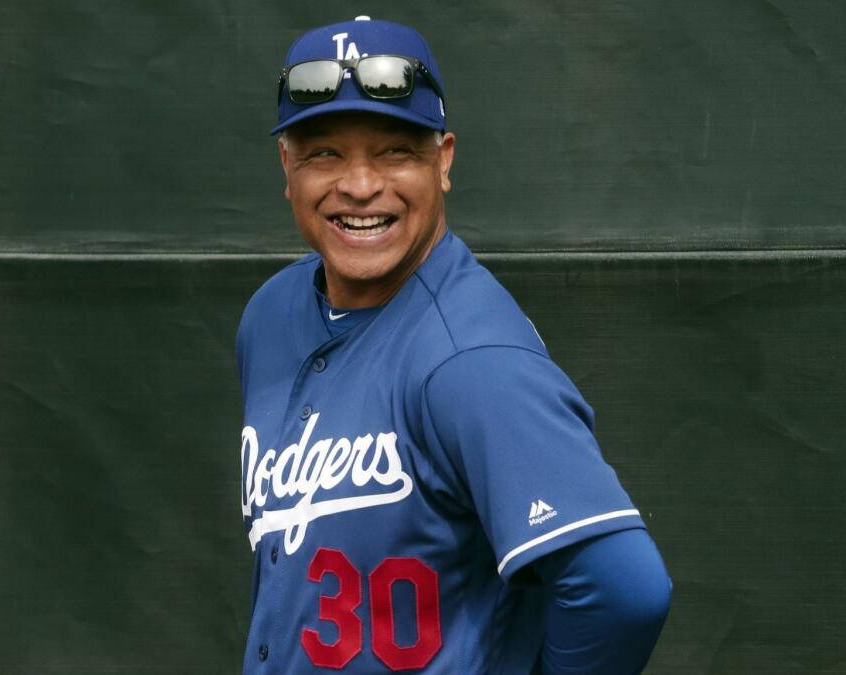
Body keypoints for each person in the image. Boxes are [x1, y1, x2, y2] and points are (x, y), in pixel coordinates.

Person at [236, 16, 671, 674]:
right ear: (286, 166)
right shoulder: (270, 317)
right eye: (325, 152)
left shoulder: (471, 358)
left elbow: (625, 588)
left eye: (393, 152)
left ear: (442, 161)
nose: (359, 184)